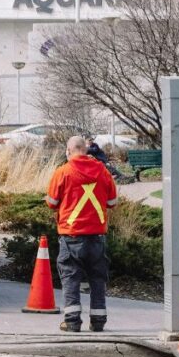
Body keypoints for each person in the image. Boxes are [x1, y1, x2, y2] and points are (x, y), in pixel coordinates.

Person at [45, 135, 118, 332]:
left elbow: (52, 203)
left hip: (71, 236)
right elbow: (112, 202)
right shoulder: (102, 171)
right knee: (97, 278)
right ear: (85, 151)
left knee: (71, 278)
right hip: (97, 236)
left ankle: (72, 322)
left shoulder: (63, 172)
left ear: (68, 151)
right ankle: (98, 321)